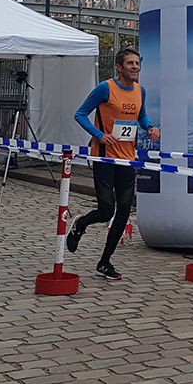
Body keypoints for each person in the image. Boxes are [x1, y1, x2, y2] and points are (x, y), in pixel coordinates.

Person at [67, 48, 159, 280]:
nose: (135, 67)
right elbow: (80, 114)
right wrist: (99, 135)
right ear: (119, 67)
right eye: (130, 63)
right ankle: (81, 223)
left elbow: (141, 116)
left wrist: (150, 127)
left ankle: (105, 262)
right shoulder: (105, 88)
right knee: (106, 211)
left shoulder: (140, 91)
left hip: (127, 159)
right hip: (105, 158)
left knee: (124, 211)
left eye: (137, 63)